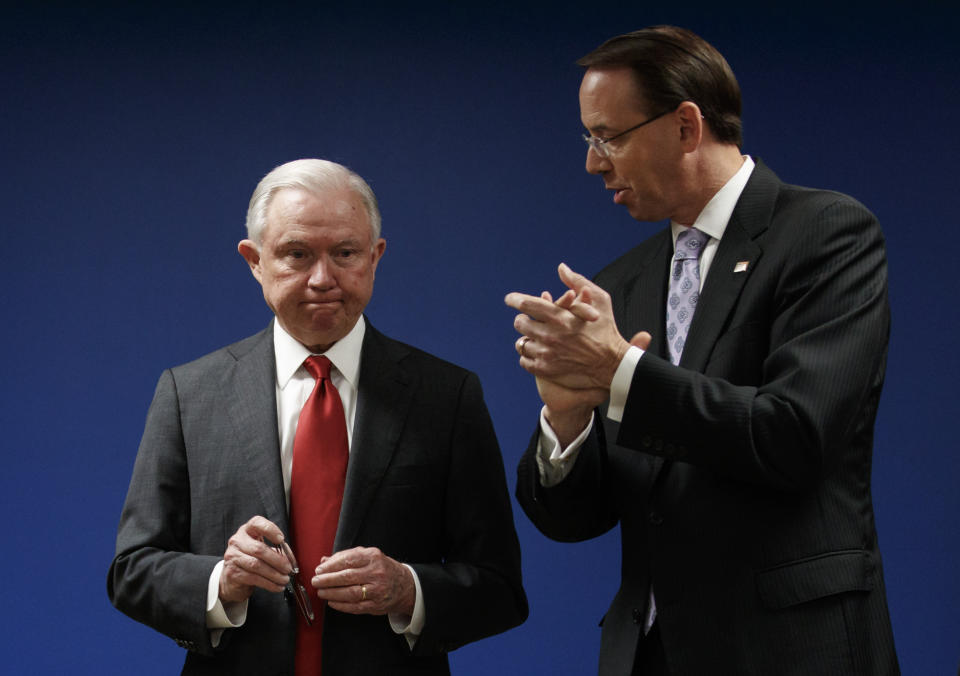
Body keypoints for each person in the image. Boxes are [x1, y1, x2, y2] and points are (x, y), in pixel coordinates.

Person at [505, 26, 898, 675]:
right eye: (588, 139)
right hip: (649, 656)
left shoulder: (828, 235)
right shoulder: (617, 285)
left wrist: (620, 374)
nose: (593, 162)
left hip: (792, 652)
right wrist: (567, 420)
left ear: (686, 125)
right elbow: (572, 520)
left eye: (609, 136)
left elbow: (794, 436)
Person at [109, 158, 527, 675]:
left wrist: (406, 589)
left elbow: (500, 586)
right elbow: (132, 570)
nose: (322, 278)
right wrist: (223, 581)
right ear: (254, 261)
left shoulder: (447, 395)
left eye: (345, 253)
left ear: (375, 258)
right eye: (297, 254)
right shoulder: (188, 393)